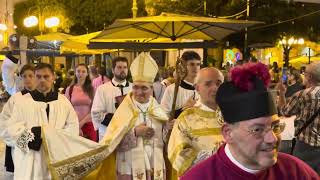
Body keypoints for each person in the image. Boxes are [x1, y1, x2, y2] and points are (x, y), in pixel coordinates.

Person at [40, 52, 172, 180]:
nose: (139, 92)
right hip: (130, 164)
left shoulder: (156, 108)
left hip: (154, 163)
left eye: (144, 88)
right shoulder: (124, 107)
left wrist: (169, 128)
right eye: (136, 87)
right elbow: (115, 142)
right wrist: (135, 133)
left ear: (151, 89)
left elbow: (164, 140)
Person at [181, 63, 319, 179]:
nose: (272, 139)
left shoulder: (296, 172)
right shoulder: (199, 177)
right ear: (228, 133)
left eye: (276, 127)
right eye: (257, 129)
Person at [0, 63, 79, 180]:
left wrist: (55, 137)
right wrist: (32, 136)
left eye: (46, 76)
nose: (42, 80)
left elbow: (73, 126)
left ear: (53, 77)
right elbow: (12, 128)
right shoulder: (22, 102)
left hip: (56, 156)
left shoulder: (63, 102)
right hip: (31, 159)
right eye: (38, 76)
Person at [168, 67, 225, 176]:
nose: (215, 88)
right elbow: (178, 153)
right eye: (208, 84)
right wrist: (213, 159)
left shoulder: (234, 115)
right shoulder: (186, 119)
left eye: (219, 83)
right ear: (197, 88)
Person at [278, 61, 320, 174]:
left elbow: (284, 111)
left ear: (310, 76)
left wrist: (281, 93)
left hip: (306, 147)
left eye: (304, 73)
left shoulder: (303, 94)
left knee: (301, 174)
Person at [1, 64, 36, 173]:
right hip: (20, 142)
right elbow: (4, 120)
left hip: (38, 143)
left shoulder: (43, 98)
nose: (27, 79)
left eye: (30, 75)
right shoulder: (16, 98)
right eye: (24, 76)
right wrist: (23, 140)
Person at [91, 57, 132, 141]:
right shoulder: (102, 89)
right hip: (108, 133)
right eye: (119, 67)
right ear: (113, 70)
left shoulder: (133, 88)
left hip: (129, 135)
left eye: (125, 67)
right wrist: (117, 120)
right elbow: (96, 113)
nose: (123, 70)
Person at [161, 51, 201, 118]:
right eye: (192, 64)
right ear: (183, 66)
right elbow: (163, 115)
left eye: (198, 64)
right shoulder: (172, 89)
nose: (196, 67)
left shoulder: (203, 89)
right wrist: (183, 109)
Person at [65, 64, 97, 141]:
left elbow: (94, 109)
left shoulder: (92, 90)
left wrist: (81, 123)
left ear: (87, 74)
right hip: (73, 124)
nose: (80, 74)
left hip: (89, 124)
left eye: (83, 71)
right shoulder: (70, 89)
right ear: (75, 73)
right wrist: (76, 125)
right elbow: (67, 109)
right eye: (78, 71)